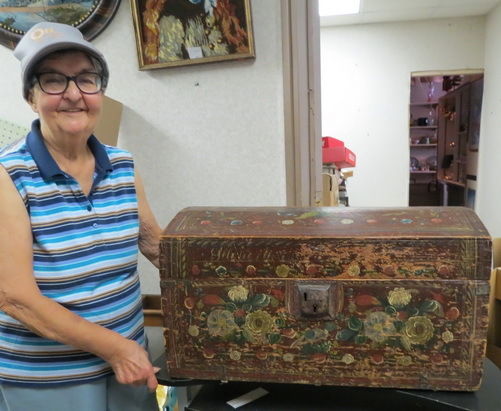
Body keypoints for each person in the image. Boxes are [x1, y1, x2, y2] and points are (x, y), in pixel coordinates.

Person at [0, 22, 161, 411]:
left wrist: (229, 278)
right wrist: (115, 348)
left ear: (100, 91)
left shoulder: (121, 164)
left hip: (129, 368)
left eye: (87, 79)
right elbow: (15, 298)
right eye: (54, 81)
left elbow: (154, 241)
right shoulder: (9, 175)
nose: (74, 94)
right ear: (30, 97)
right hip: (47, 381)